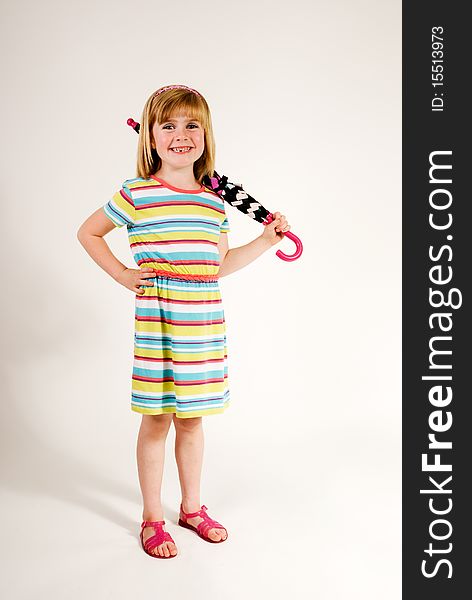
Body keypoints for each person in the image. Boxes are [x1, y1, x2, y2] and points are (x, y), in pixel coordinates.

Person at [77, 84, 290, 559]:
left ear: (205, 135)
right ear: (150, 138)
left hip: (202, 328)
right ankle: (153, 516)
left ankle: (191, 507)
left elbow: (215, 266)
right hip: (158, 323)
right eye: (168, 125)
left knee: (192, 420)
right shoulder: (136, 194)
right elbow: (88, 232)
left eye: (191, 124)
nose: (180, 134)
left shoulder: (215, 203)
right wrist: (124, 275)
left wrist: (264, 241)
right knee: (157, 419)